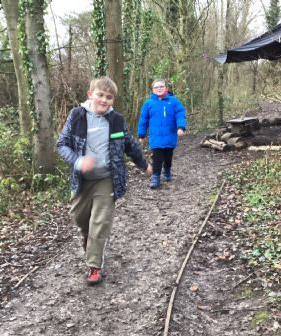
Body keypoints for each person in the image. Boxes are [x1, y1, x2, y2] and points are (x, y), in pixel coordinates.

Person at [57, 76, 152, 285]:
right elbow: (62, 144)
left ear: (112, 100)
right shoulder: (77, 115)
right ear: (90, 95)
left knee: (100, 222)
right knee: (81, 221)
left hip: (107, 178)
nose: (104, 100)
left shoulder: (116, 120)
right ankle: (90, 241)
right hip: (81, 180)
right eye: (100, 95)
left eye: (109, 97)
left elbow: (130, 145)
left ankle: (94, 266)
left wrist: (144, 165)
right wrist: (78, 161)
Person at [137, 78, 187, 189]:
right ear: (153, 89)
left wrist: (181, 127)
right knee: (157, 157)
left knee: (168, 157)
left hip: (170, 135)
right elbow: (143, 120)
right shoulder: (148, 104)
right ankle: (155, 177)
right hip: (156, 137)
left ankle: (167, 170)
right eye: (156, 87)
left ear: (166, 88)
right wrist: (141, 134)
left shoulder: (174, 101)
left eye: (161, 86)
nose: (159, 89)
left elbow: (180, 114)